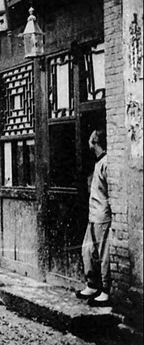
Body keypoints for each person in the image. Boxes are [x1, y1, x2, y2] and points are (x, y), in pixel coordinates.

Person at [76, 128, 112, 307]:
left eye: (92, 138)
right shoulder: (99, 163)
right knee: (87, 250)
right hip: (93, 214)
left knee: (104, 253)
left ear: (95, 141)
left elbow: (110, 192)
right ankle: (92, 284)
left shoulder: (106, 163)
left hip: (102, 215)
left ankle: (105, 290)